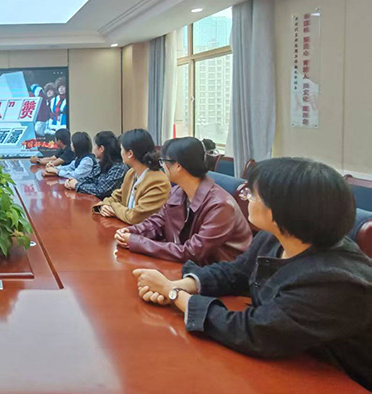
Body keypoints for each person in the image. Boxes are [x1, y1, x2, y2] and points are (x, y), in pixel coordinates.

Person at [132, 158, 372, 390]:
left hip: (340, 379)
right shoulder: (274, 237)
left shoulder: (334, 280)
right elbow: (236, 272)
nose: (246, 198)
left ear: (283, 210)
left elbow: (256, 331)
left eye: (253, 194)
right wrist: (182, 284)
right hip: (293, 360)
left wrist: (174, 294)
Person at [115, 137, 252, 264]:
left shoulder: (220, 205)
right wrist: (132, 231)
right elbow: (158, 221)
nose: (162, 166)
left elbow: (192, 252)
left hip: (216, 273)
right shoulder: (178, 191)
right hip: (190, 266)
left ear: (178, 166)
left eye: (164, 161)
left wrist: (137, 242)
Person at [94, 129, 170, 225]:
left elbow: (135, 217)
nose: (120, 153)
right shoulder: (131, 173)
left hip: (144, 232)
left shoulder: (158, 181)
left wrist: (113, 207)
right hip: (126, 228)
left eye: (122, 149)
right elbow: (116, 197)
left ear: (130, 154)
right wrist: (104, 206)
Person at [64, 131, 128, 200]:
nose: (93, 148)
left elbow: (101, 191)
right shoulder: (102, 164)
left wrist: (77, 185)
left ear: (101, 149)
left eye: (95, 145)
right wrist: (72, 181)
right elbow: (89, 178)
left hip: (106, 205)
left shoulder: (118, 168)